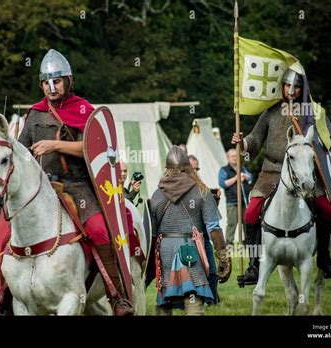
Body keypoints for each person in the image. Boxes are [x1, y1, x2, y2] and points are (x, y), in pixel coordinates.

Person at [18, 48, 134, 315]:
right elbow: (22, 152)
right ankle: (3, 293)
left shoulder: (82, 109)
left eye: (56, 81)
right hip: (40, 188)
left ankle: (117, 297)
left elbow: (95, 149)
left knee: (99, 231)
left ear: (67, 81)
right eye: (46, 82)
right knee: (8, 230)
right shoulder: (34, 114)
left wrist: (55, 145)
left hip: (76, 184)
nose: (51, 87)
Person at [232, 67, 331, 285]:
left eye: (296, 86)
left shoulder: (313, 113)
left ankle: (325, 259)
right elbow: (254, 140)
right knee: (251, 212)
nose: (291, 90)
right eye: (288, 85)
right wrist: (242, 142)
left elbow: (325, 141)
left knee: (327, 210)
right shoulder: (270, 112)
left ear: (302, 88)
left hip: (304, 173)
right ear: (282, 86)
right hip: (271, 172)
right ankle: (253, 264)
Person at [150, 146, 231, 315]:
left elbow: (153, 232)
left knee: (165, 301)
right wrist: (223, 258)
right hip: (189, 249)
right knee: (193, 297)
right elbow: (213, 228)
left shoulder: (158, 193)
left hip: (164, 249)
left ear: (167, 169)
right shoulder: (201, 191)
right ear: (188, 167)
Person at [188, 153, 224, 304]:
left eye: (197, 169)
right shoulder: (178, 190)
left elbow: (209, 218)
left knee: (213, 274)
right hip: (186, 240)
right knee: (192, 276)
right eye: (193, 169)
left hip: (204, 238)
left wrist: (214, 199)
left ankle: (213, 303)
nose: (195, 172)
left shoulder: (203, 189)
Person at [218, 149, 252, 246]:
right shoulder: (224, 170)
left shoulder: (242, 168)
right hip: (232, 201)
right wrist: (235, 178)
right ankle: (229, 243)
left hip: (244, 201)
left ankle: (248, 242)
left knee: (247, 222)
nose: (234, 158)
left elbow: (250, 178)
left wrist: (244, 176)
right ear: (228, 158)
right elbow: (222, 183)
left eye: (236, 156)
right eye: (232, 156)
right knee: (232, 223)